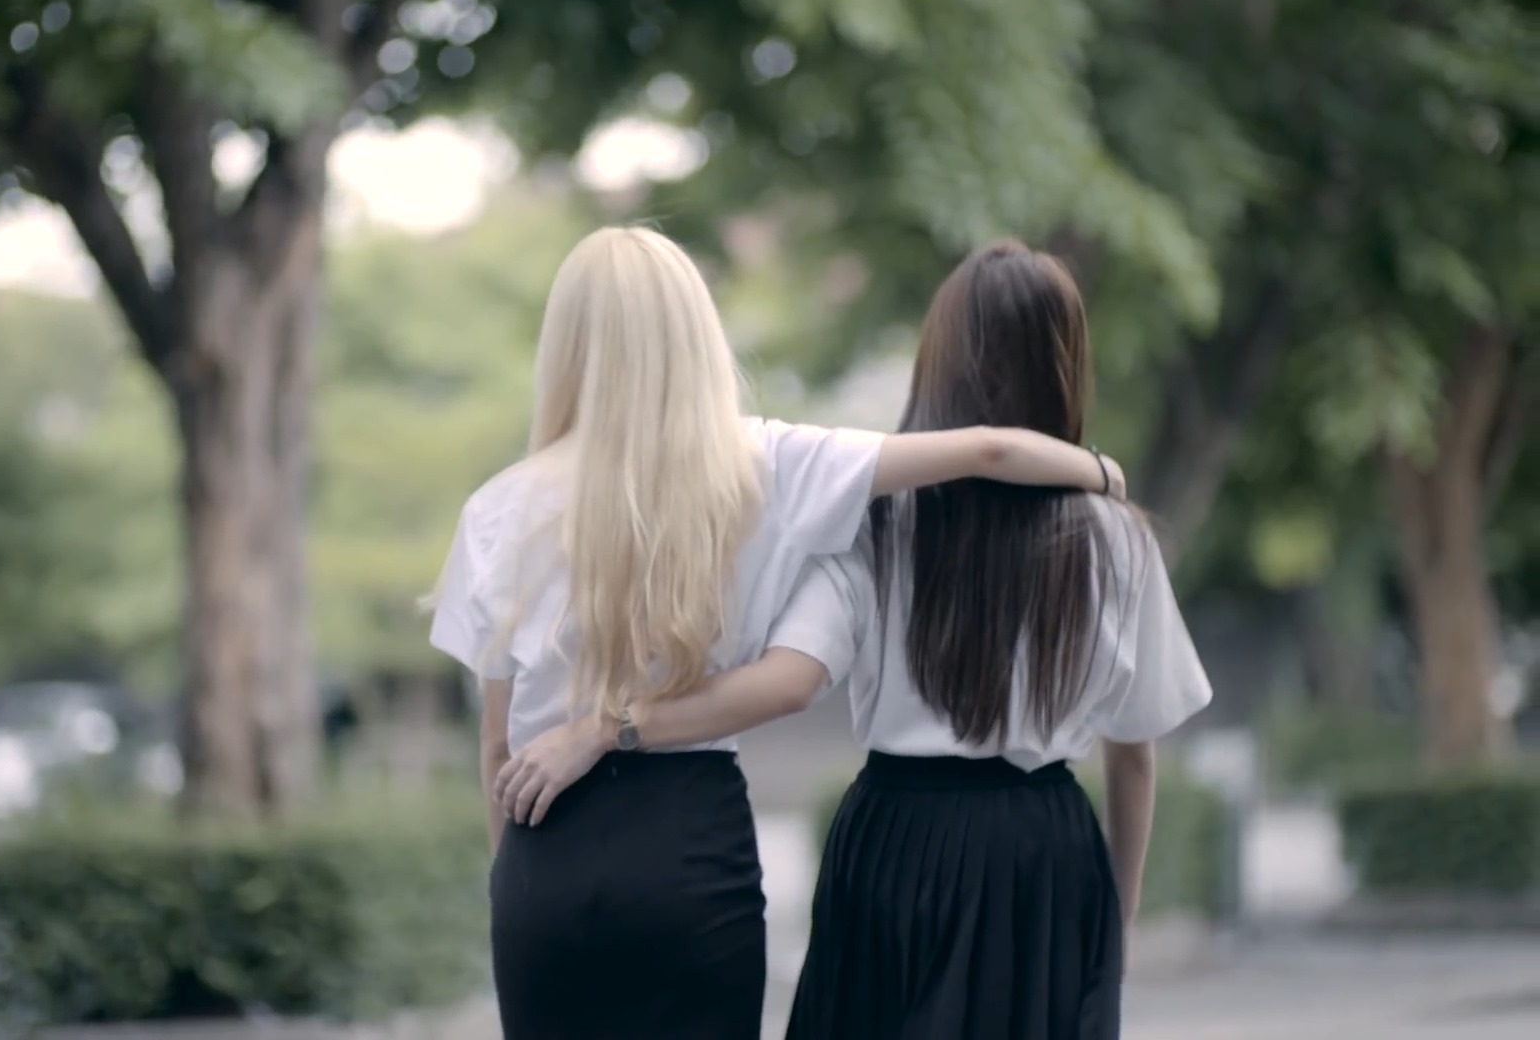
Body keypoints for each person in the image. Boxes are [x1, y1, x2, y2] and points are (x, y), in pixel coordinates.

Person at [499, 239, 1210, 1040]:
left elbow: (791, 678)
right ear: (1069, 363)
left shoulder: (877, 523)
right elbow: (1134, 754)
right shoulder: (1118, 540)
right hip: (1044, 857)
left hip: (898, 841)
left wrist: (610, 725)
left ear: (936, 363)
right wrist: (1116, 919)